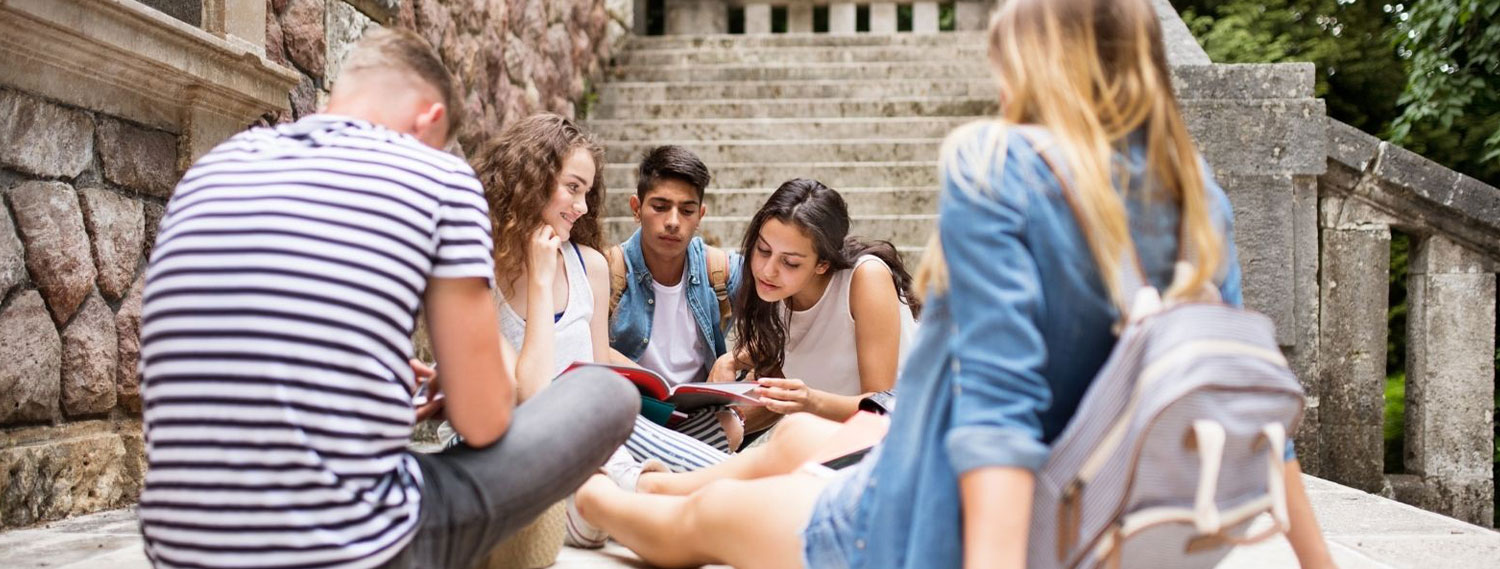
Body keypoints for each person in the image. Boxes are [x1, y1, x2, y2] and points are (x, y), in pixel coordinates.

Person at [571, 1, 1340, 568]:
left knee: (699, 522)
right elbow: (1251, 393)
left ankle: (593, 491)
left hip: (912, 524)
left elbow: (996, 416)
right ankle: (644, 482)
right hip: (1058, 506)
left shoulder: (1000, 168)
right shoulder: (1194, 191)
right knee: (770, 457)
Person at [136, 29, 637, 569]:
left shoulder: (213, 169)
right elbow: (485, 423)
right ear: (427, 117)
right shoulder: (439, 177)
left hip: (180, 546)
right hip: (354, 547)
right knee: (607, 395)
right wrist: (472, 385)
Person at [709, 178, 919, 435]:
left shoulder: (866, 278)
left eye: (791, 262)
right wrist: (730, 359)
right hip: (838, 441)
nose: (767, 271)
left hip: (906, 438)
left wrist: (811, 401)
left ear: (823, 264)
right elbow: (791, 344)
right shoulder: (780, 293)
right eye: (763, 250)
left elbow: (880, 406)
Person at [606, 145, 746, 453]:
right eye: (660, 206)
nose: (673, 221)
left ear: (700, 215)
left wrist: (733, 359)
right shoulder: (607, 271)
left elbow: (781, 311)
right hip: (624, 419)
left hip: (694, 418)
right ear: (635, 207)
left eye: (686, 210)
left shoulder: (719, 270)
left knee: (730, 425)